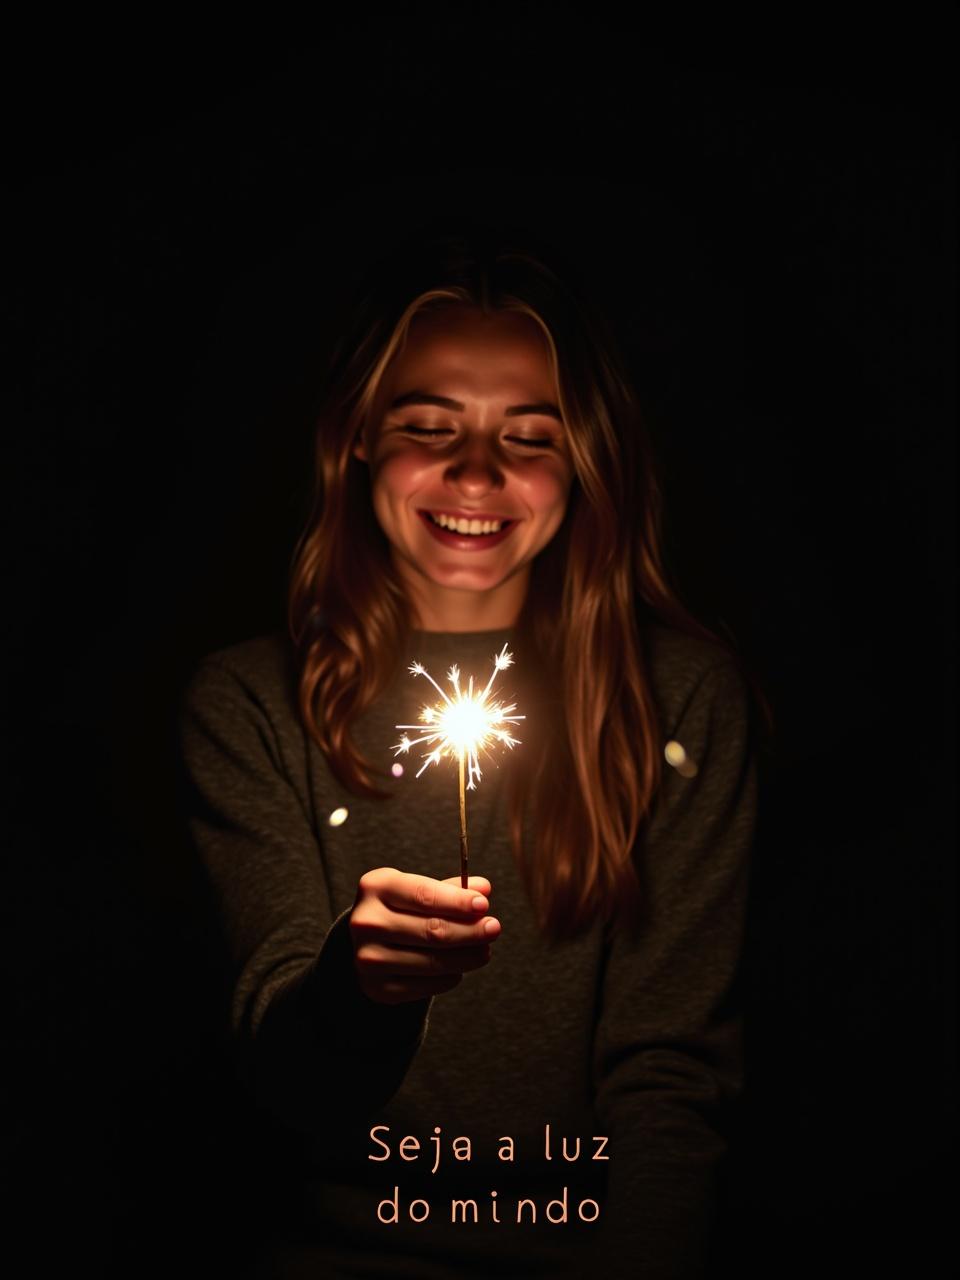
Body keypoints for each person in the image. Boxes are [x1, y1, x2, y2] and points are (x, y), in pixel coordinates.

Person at [178, 220, 761, 1279]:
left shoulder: (680, 697)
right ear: (355, 435)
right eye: (430, 423)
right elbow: (280, 1069)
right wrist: (359, 994)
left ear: (586, 458)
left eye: (531, 435)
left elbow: (668, 1075)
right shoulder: (249, 702)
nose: (478, 470)